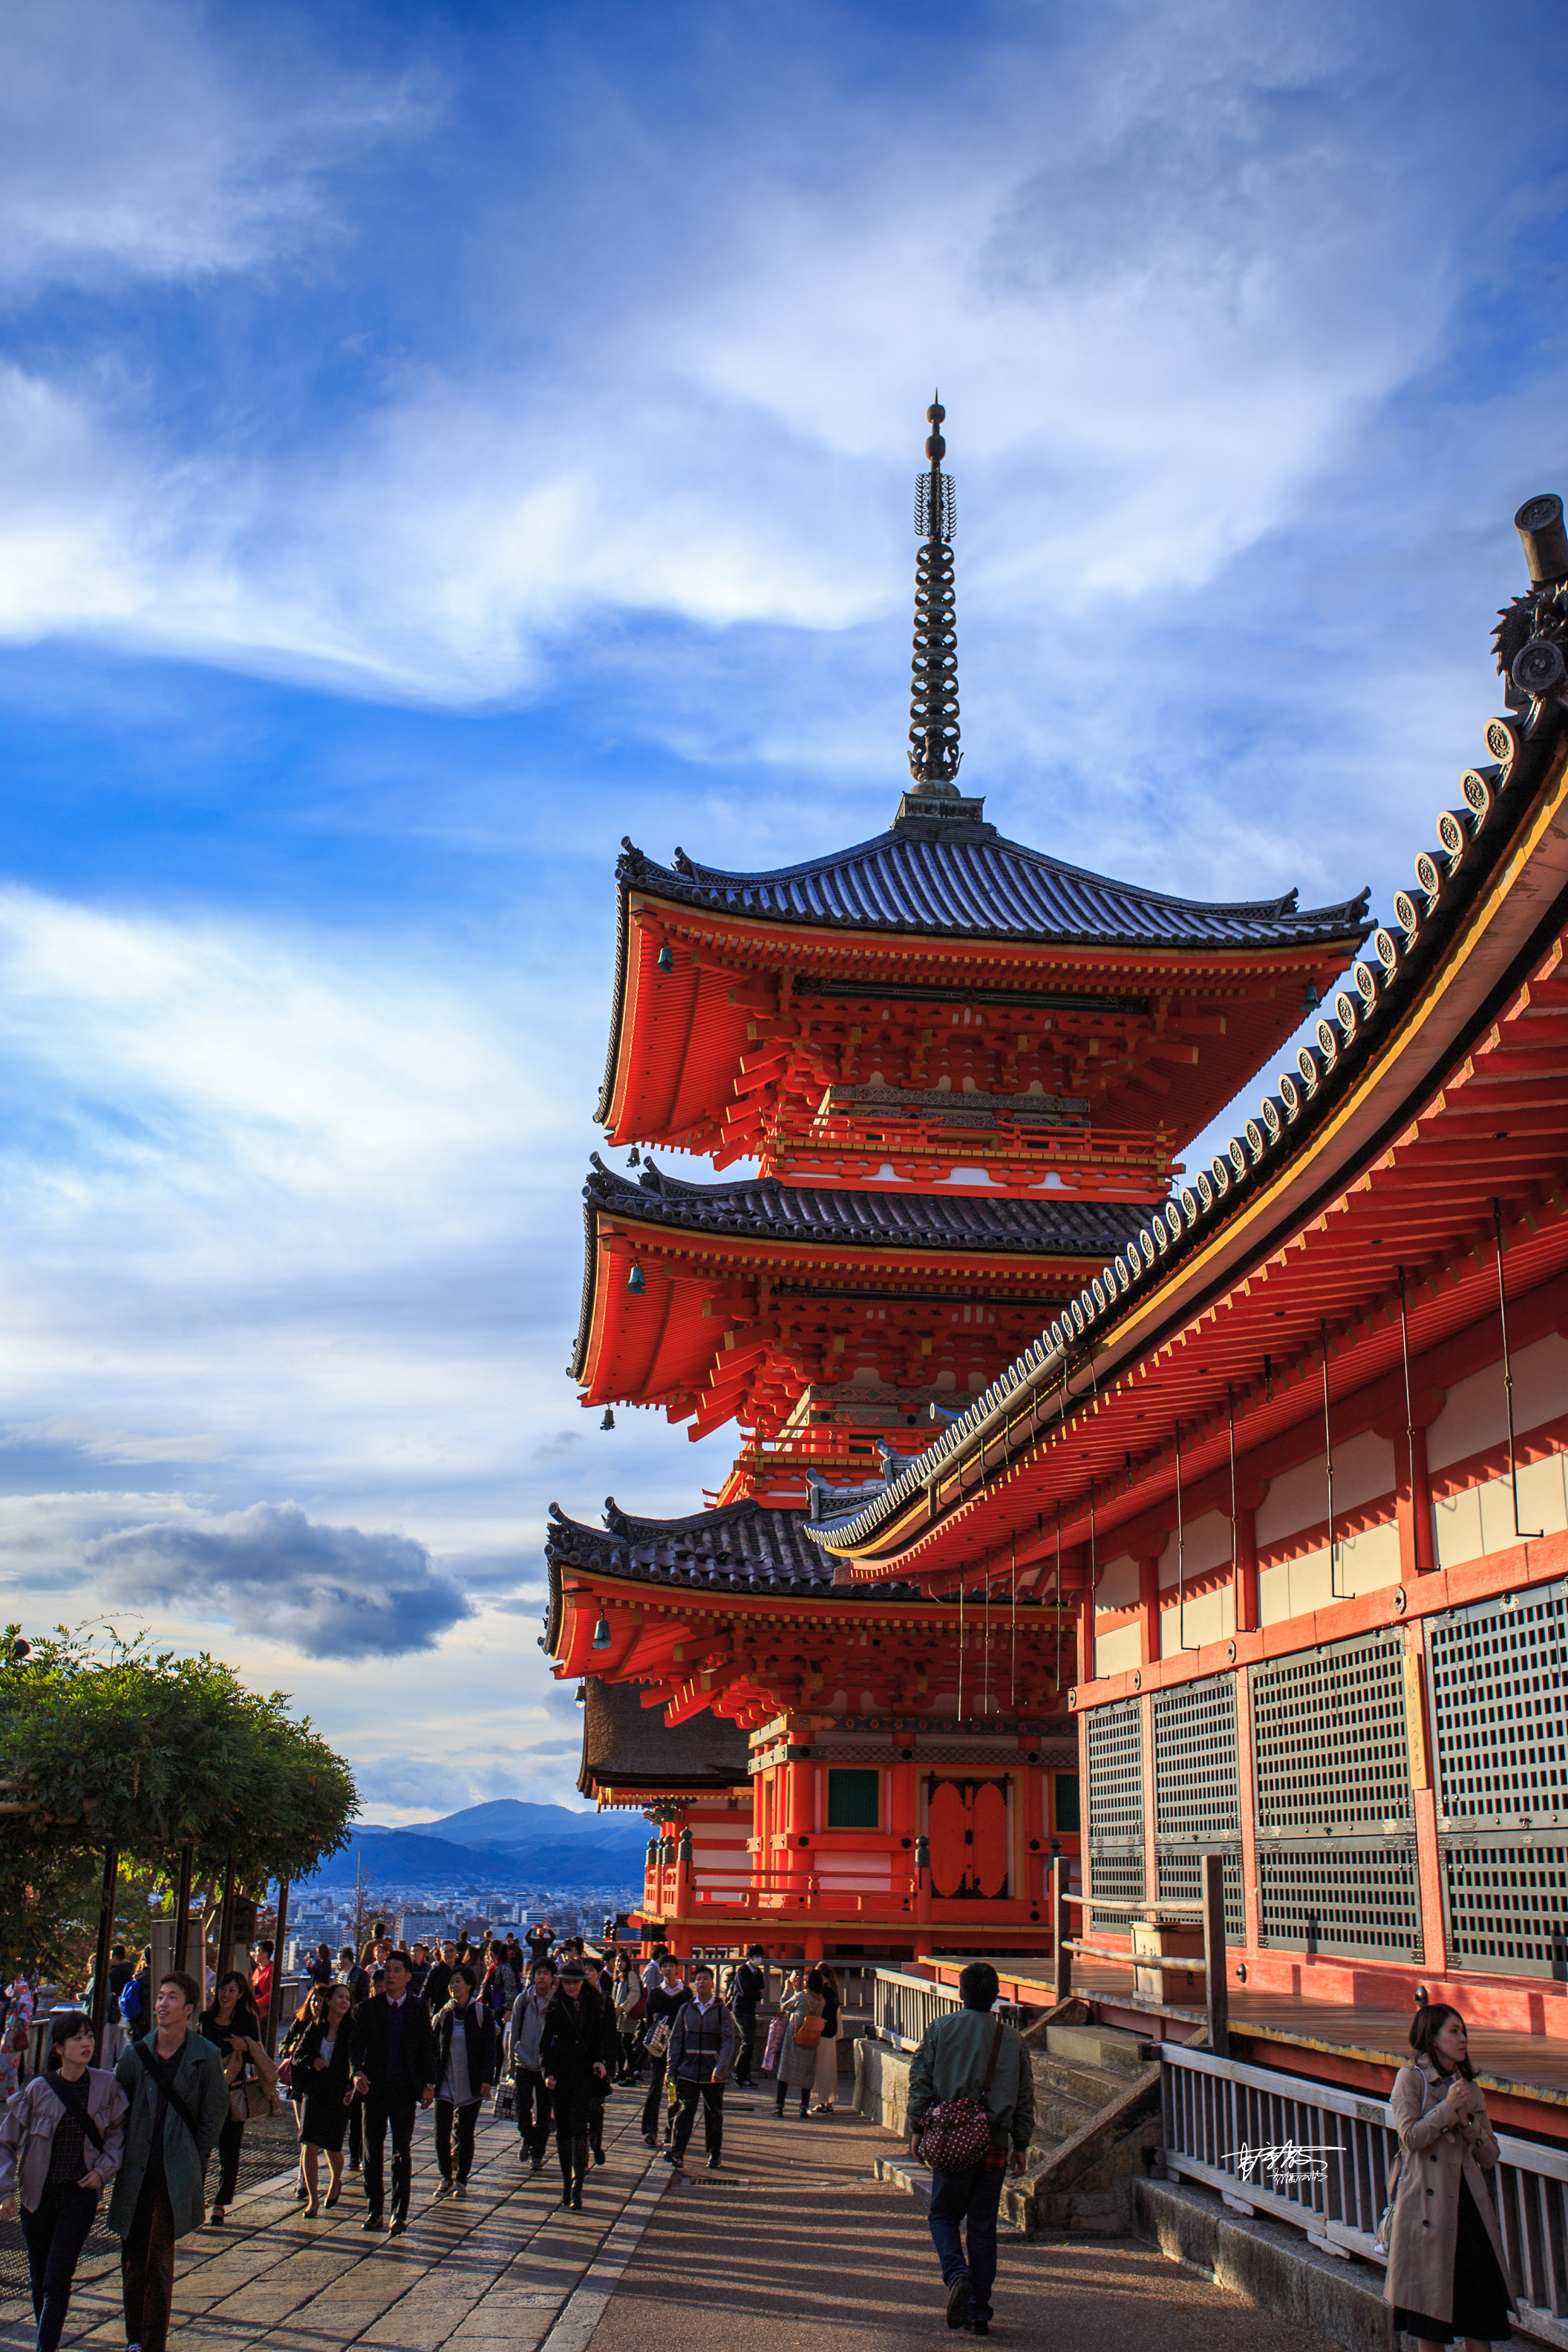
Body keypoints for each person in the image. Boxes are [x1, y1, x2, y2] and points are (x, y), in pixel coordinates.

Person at [906, 1961, 1033, 2339]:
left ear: (961, 1993)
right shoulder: (1012, 2039)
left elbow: (921, 2079)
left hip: (952, 2136)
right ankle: (979, 2311)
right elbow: (1024, 2095)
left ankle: (956, 2274)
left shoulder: (941, 2028)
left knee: (943, 2215)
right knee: (982, 2227)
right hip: (994, 2141)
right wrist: (1021, 2143)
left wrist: (917, 2128)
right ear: (995, 1996)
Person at [109, 1970, 229, 2352]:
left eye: (172, 1997)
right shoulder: (136, 2054)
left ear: (189, 2008)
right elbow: (118, 2108)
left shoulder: (205, 2055)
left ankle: (152, 2342)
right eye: (160, 1996)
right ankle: (134, 2338)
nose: (162, 2004)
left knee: (159, 2255)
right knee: (133, 2253)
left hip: (175, 2168)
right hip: (137, 2167)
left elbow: (214, 2113)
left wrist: (196, 2156)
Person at [1384, 2002, 1515, 2352]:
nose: (1463, 2038)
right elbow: (1410, 2137)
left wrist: (1468, 2120)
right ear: (1432, 2037)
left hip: (1469, 2210)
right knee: (1430, 2319)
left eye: (1464, 2031)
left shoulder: (1469, 2087)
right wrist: (1447, 2108)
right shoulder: (1410, 2079)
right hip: (1427, 2212)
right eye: (1454, 2031)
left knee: (1480, 2317)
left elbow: (1490, 2156)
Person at [0, 2009, 127, 2352]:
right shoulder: (38, 2089)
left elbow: (118, 2134)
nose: (86, 2044)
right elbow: (5, 2142)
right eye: (77, 2038)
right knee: (40, 2278)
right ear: (58, 2048)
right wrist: (6, 2191)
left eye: (90, 2036)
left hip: (79, 2194)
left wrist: (103, 2171)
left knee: (57, 2278)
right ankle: (48, 2342)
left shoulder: (105, 2085)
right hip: (36, 2196)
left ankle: (45, 2348)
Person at [350, 1950, 437, 2238]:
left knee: (402, 2151)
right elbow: (355, 2045)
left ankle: (399, 2214)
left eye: (397, 1971)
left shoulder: (418, 2008)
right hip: (374, 2088)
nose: (390, 1975)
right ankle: (375, 2209)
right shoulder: (369, 2008)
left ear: (408, 1977)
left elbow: (428, 2048)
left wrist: (429, 2084)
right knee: (371, 2151)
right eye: (388, 1970)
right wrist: (356, 2072)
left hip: (403, 2089)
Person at [198, 1971, 276, 2224]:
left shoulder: (247, 2020)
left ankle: (220, 2203)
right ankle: (195, 2199)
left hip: (233, 2092)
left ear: (241, 1994)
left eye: (232, 1990)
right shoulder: (206, 2018)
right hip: (208, 2090)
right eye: (223, 1989)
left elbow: (258, 2056)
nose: (226, 1994)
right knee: (201, 2148)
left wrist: (245, 2046)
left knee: (229, 2150)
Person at [539, 1962, 607, 2210]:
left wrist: (600, 2061)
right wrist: (548, 2073)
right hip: (561, 2075)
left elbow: (599, 2038)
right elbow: (545, 2045)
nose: (571, 1986)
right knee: (564, 2131)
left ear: (583, 1982)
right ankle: (567, 2183)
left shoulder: (594, 2005)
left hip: (584, 2074)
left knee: (580, 2129)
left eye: (575, 1981)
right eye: (567, 1981)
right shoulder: (555, 2007)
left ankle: (578, 2184)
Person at [284, 1983, 355, 2216]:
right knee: (309, 2144)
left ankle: (335, 2181)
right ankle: (313, 2199)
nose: (344, 2002)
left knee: (333, 2148)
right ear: (329, 2001)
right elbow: (298, 2055)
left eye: (347, 1998)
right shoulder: (316, 2027)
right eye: (339, 1997)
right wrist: (312, 2060)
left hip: (338, 2094)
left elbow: (358, 2060)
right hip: (314, 2092)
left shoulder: (352, 2030)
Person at [432, 1964, 499, 2200]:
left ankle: (461, 2180)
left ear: (469, 1985)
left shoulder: (481, 2012)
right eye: (451, 1982)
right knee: (441, 2132)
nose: (454, 1986)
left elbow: (491, 2049)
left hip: (471, 2082)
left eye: (458, 1981)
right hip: (446, 2080)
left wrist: (487, 2079)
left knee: (466, 2133)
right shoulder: (444, 2014)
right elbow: (433, 2047)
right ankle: (445, 2177)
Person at [665, 1964, 736, 2173]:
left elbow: (728, 2042)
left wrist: (721, 2068)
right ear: (694, 1984)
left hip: (712, 2073)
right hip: (688, 2070)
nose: (701, 1982)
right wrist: (671, 2069)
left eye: (705, 1979)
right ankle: (677, 2152)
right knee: (684, 2112)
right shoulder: (686, 2009)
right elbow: (676, 2040)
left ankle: (714, 2153)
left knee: (713, 2113)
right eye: (698, 1979)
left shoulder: (722, 2011)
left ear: (712, 1983)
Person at [510, 1959, 558, 2173]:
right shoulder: (523, 2000)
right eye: (539, 1972)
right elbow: (515, 2032)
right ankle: (527, 2136)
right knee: (522, 2106)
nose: (542, 1977)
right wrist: (511, 2063)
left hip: (547, 2065)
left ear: (553, 1977)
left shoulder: (557, 2002)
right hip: (524, 2060)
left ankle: (538, 2153)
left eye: (546, 1973)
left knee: (545, 2110)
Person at [640, 1954, 690, 2149]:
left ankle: (671, 2129)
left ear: (677, 1968)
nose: (668, 1969)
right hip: (659, 2047)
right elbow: (648, 2020)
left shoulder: (686, 1993)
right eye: (665, 1966)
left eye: (671, 1965)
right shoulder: (655, 1993)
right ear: (660, 1970)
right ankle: (650, 2130)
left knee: (673, 2087)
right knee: (655, 2086)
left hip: (678, 2047)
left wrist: (660, 2017)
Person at [580, 1959, 618, 2166]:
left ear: (599, 1973)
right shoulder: (574, 1997)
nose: (587, 1973)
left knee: (596, 2107)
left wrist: (610, 2065)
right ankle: (582, 2151)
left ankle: (595, 2143)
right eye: (584, 1969)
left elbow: (610, 2035)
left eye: (591, 1970)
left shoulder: (606, 2001)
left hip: (599, 2061)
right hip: (578, 2060)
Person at [773, 1972, 823, 2120]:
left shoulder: (801, 1996)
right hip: (810, 2040)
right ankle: (803, 2107)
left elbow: (785, 2006)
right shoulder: (822, 2001)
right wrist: (797, 1992)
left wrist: (787, 1989)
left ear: (807, 1983)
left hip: (794, 2039)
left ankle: (779, 2106)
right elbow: (804, 2005)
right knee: (807, 2074)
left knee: (785, 2072)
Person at [725, 1947, 766, 2091]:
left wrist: (756, 1994)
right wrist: (757, 1994)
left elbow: (761, 1992)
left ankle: (745, 2075)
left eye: (760, 1956)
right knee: (747, 2040)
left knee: (750, 2042)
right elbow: (745, 1992)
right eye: (756, 1956)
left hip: (751, 2010)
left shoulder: (758, 1973)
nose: (758, 1959)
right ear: (750, 1957)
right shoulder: (743, 1971)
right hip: (740, 2010)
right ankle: (738, 2073)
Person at [808, 1963, 841, 2114]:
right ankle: (829, 2103)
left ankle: (822, 2103)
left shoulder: (822, 1992)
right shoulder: (834, 1990)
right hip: (831, 2032)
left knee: (821, 2069)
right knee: (830, 2069)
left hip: (821, 2032)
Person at [0, 1973, 36, 2101]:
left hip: (13, 2028)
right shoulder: (7, 1985)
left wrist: (19, 2022)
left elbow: (27, 2006)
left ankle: (10, 2093)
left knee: (9, 2064)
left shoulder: (21, 1985)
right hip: (5, 2024)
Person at [611, 1953, 645, 2082]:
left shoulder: (631, 1975)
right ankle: (621, 2071)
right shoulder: (618, 1976)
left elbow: (635, 1993)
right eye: (617, 1961)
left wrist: (623, 2007)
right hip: (618, 2014)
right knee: (618, 2044)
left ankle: (631, 2073)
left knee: (627, 2044)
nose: (619, 1964)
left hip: (628, 2014)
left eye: (622, 1961)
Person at [249, 1941, 275, 2028]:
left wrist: (256, 2003)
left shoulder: (271, 1970)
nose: (255, 1954)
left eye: (258, 1952)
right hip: (255, 2012)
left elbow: (271, 1993)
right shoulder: (258, 1970)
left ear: (265, 1954)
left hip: (264, 2014)